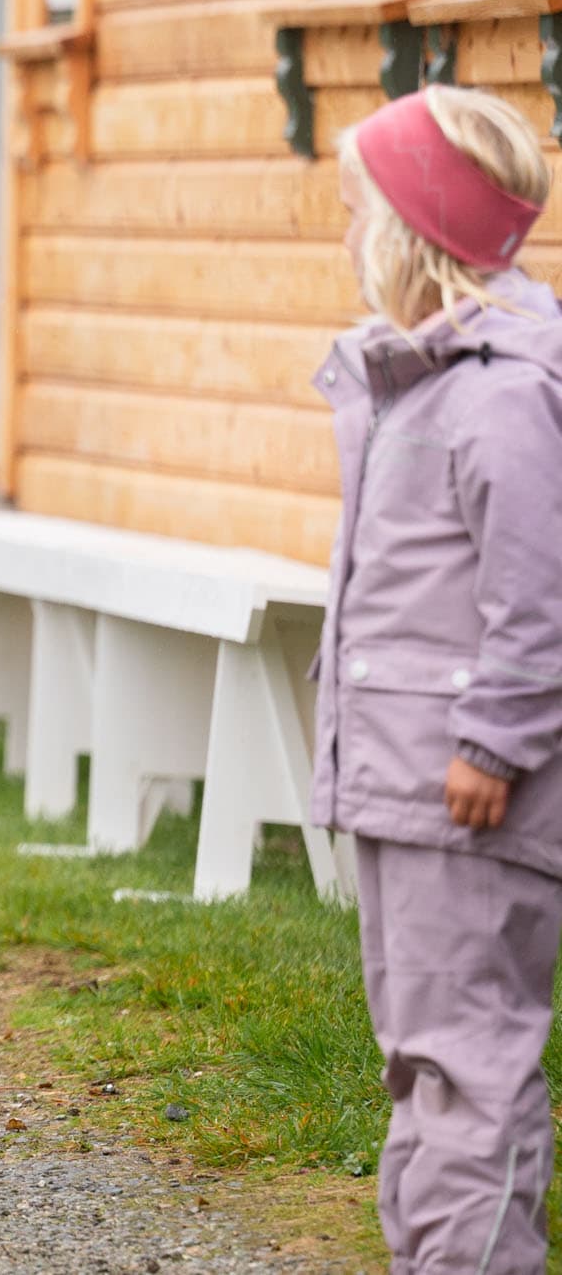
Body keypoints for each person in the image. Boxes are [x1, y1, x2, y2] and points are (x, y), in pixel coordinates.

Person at [312, 84, 562, 1275]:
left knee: (469, 1061)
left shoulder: (504, 396)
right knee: (422, 1056)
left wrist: (494, 742)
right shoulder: (423, 383)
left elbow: (540, 592)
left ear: (419, 232)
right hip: (405, 784)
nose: (348, 236)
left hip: (465, 792)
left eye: (360, 209)